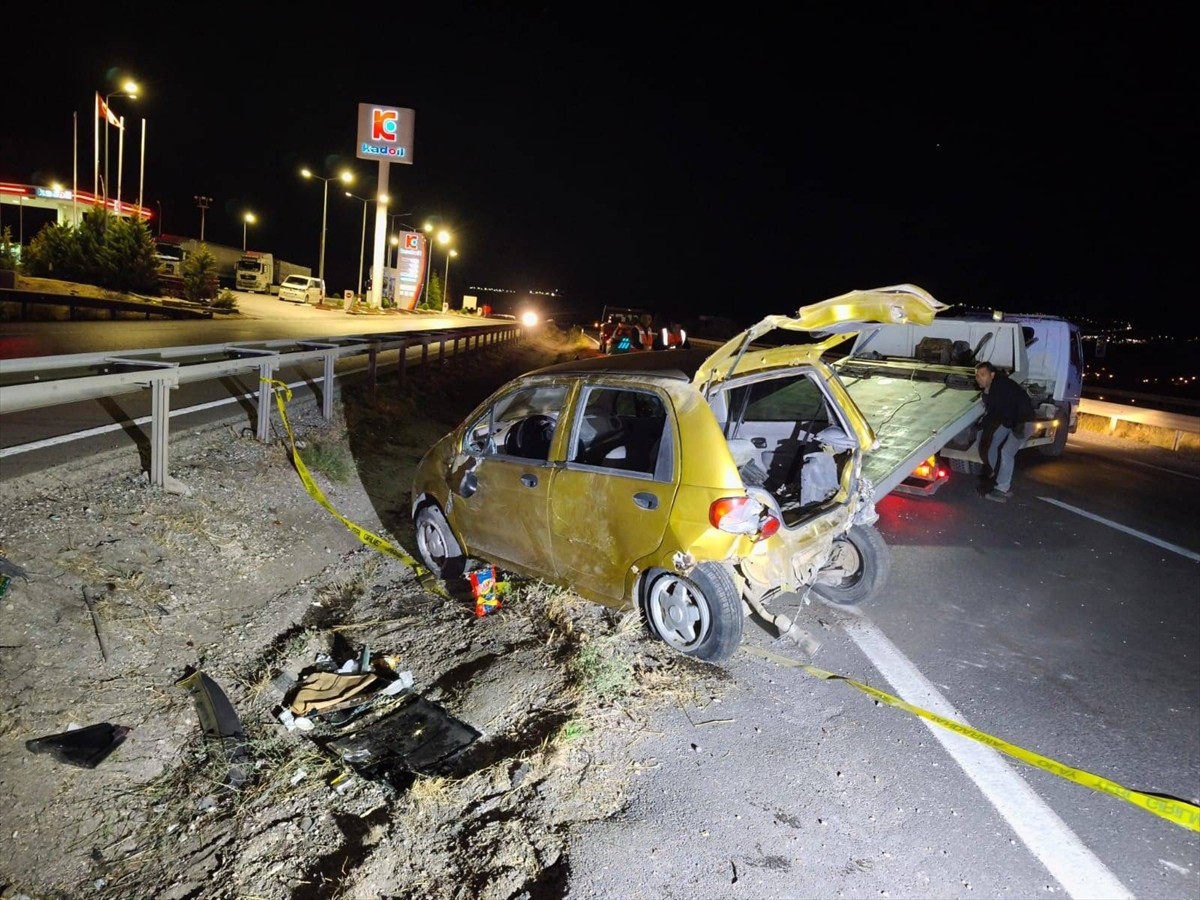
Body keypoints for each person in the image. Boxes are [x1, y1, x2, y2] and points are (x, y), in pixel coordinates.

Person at [974, 361, 1035, 502]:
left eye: (983, 375)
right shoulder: (994, 388)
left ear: (992, 375)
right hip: (1012, 421)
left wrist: (981, 424)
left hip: (1023, 423)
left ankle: (1002, 488)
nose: (979, 378)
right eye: (977, 376)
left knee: (1007, 452)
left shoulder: (1001, 386)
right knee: (993, 442)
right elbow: (997, 412)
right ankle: (995, 475)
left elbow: (997, 412)